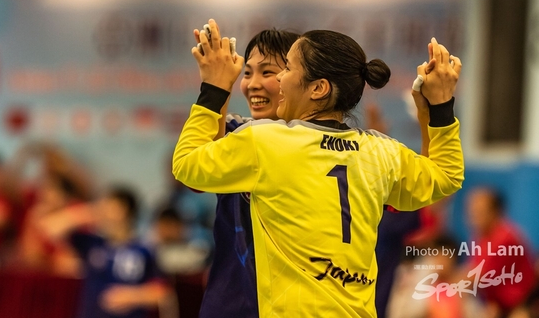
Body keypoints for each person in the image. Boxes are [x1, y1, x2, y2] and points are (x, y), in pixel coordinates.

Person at [172, 19, 464, 317]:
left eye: (283, 69)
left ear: (318, 88)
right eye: (248, 72)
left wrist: (214, 88)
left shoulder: (263, 142)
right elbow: (445, 176)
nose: (277, 79)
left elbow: (186, 165)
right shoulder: (380, 150)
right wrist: (437, 108)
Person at [198, 28, 299, 318]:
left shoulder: (327, 146)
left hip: (297, 305)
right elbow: (197, 174)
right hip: (231, 306)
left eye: (267, 72)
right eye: (247, 73)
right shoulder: (234, 133)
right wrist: (216, 86)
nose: (252, 84)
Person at [39, 186, 174, 318]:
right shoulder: (93, 243)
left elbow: (162, 293)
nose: (105, 211)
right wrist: (91, 212)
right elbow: (49, 228)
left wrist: (131, 296)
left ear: (124, 210)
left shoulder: (144, 250)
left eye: (110, 206)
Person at [464, 187, 536, 317]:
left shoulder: (506, 238)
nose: (473, 216)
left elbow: (477, 276)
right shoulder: (479, 238)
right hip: (498, 305)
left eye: (479, 212)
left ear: (495, 212)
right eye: (471, 211)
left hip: (522, 305)